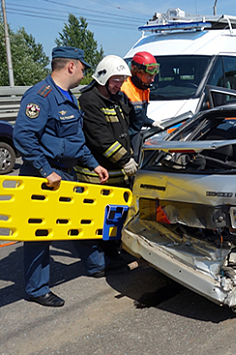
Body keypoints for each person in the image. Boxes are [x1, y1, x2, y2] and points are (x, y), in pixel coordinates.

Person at [13, 46, 109, 307]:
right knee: (41, 232)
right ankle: (37, 288)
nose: (84, 72)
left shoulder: (68, 96)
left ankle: (96, 265)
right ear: (71, 66)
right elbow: (23, 136)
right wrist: (46, 170)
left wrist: (93, 164)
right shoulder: (40, 96)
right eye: (82, 67)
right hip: (44, 175)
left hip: (66, 173)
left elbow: (74, 141)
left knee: (80, 219)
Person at [75, 55, 137, 187]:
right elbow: (100, 137)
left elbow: (124, 132)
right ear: (103, 78)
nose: (119, 85)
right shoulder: (89, 100)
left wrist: (130, 157)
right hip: (96, 179)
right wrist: (125, 160)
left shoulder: (116, 99)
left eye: (122, 81)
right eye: (115, 81)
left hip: (118, 174)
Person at [121, 51, 164, 153]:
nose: (153, 80)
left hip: (135, 137)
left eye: (154, 76)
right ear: (138, 73)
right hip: (125, 140)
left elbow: (140, 117)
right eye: (149, 76)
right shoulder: (124, 90)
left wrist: (152, 123)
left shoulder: (144, 89)